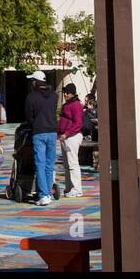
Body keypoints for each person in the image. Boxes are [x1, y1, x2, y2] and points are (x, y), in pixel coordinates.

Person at [24, 70, 59, 205]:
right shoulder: (54, 96)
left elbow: (29, 117)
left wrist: (34, 126)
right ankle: (47, 193)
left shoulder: (31, 97)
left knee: (40, 164)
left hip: (39, 132)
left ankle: (43, 194)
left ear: (35, 82)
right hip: (52, 131)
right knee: (49, 165)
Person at [57, 83, 84, 197]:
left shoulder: (76, 105)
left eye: (67, 93)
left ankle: (77, 189)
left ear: (72, 93)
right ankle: (69, 187)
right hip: (65, 137)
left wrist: (66, 134)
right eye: (64, 93)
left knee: (72, 163)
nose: (65, 95)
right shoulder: (67, 104)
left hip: (72, 137)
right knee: (67, 164)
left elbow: (78, 123)